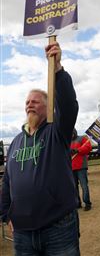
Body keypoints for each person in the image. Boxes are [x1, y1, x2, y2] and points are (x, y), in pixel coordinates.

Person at [0, 42, 80, 255]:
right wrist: (5, 214)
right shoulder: (16, 142)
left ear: (48, 106)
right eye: (27, 102)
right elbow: (8, 181)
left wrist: (58, 70)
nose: (29, 105)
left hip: (58, 228)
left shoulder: (56, 132)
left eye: (35, 101)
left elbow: (68, 105)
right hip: (23, 233)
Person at [71, 129, 92, 211]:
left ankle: (87, 203)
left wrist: (78, 150)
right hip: (71, 167)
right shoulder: (67, 141)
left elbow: (88, 147)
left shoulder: (82, 139)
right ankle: (77, 203)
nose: (71, 134)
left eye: (72, 132)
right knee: (74, 187)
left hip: (81, 167)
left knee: (84, 186)